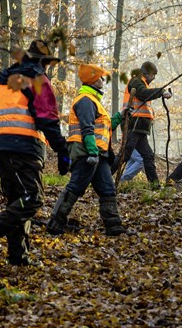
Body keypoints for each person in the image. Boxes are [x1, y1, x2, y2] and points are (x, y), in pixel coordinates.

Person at [0, 39, 70, 266]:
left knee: (18, 201)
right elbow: (48, 119)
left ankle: (18, 257)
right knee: (32, 198)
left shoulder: (2, 80)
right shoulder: (37, 79)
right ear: (42, 62)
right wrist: (63, 153)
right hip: (23, 147)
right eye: (47, 64)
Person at [47, 63, 132, 236]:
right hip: (87, 153)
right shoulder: (85, 100)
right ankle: (55, 224)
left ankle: (114, 226)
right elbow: (87, 129)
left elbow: (105, 128)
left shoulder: (93, 100)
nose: (103, 80)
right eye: (101, 77)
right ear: (94, 80)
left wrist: (120, 116)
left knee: (107, 189)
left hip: (98, 154)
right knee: (75, 187)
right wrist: (92, 152)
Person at [111, 61, 171, 188]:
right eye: (153, 74)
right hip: (133, 124)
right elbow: (143, 94)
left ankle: (155, 186)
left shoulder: (141, 83)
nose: (154, 78)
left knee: (148, 156)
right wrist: (161, 91)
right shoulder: (136, 81)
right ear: (146, 73)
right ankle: (102, 179)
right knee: (124, 155)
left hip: (140, 128)